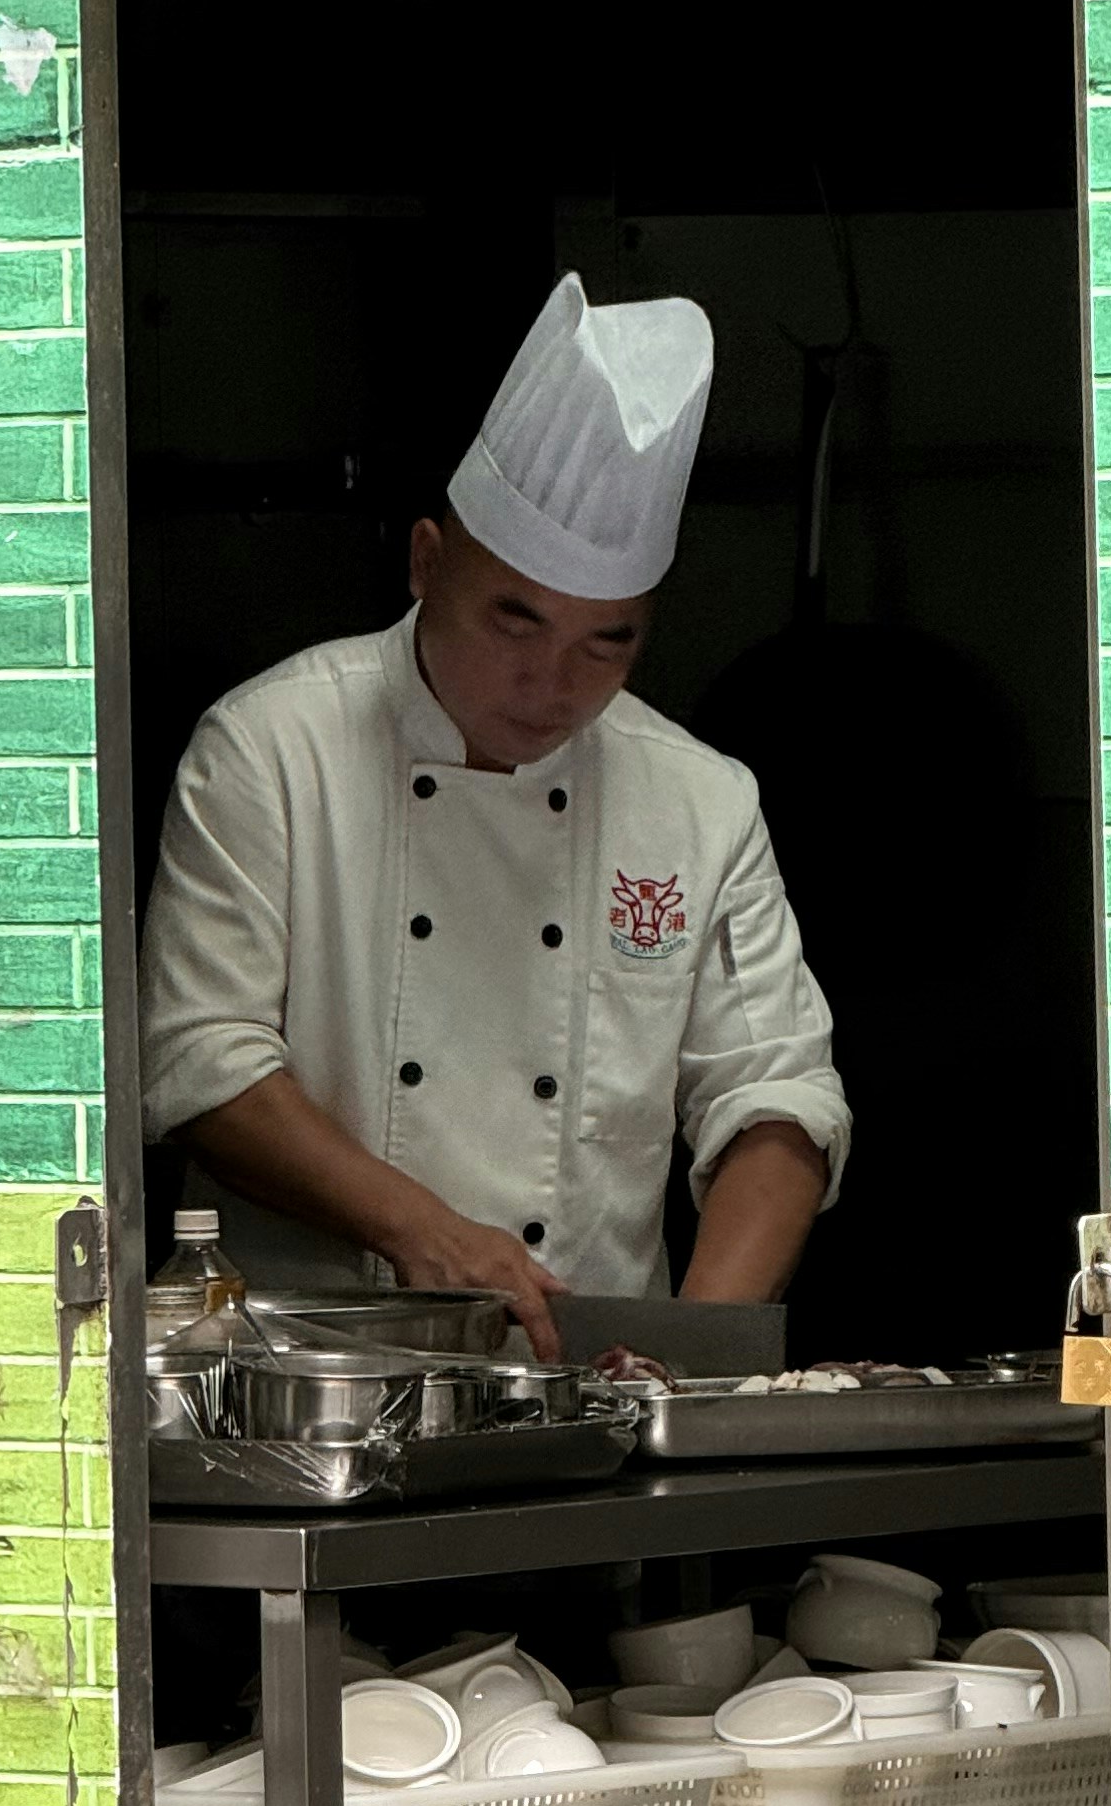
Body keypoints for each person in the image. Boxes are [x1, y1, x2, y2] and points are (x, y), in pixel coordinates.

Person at [138, 277, 850, 1362]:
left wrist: (688, 1361)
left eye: (605, 643)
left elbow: (778, 1100)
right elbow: (201, 1065)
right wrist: (420, 1229)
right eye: (514, 620)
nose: (548, 681)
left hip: (589, 1396)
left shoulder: (701, 800)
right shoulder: (272, 747)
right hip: (307, 1391)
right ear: (428, 564)